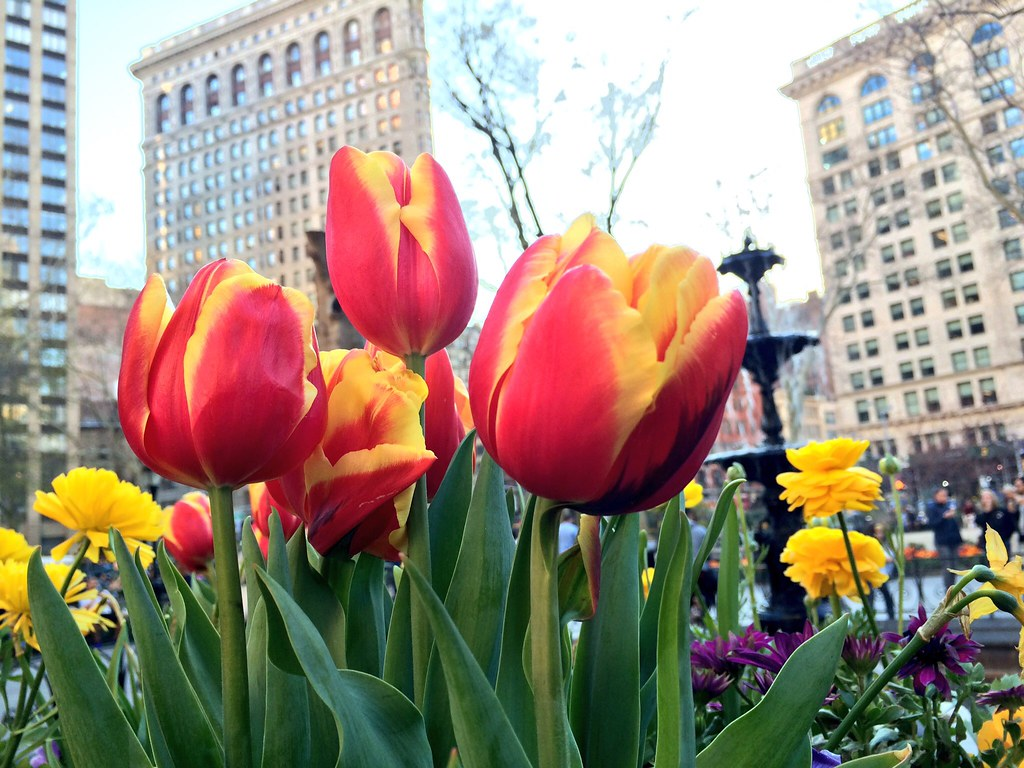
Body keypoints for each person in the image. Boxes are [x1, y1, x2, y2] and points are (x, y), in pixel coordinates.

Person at [926, 486, 961, 589]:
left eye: (945, 495)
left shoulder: (948, 506)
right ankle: (948, 589)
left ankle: (954, 587)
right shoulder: (932, 508)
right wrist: (943, 517)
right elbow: (932, 524)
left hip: (953, 540)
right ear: (936, 496)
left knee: (954, 566)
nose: (944, 497)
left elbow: (954, 524)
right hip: (942, 541)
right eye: (941, 495)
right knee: (947, 566)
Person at [977, 488, 1017, 553]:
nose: (986, 500)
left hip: (1002, 543)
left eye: (988, 498)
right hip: (988, 545)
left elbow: (1011, 526)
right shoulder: (981, 515)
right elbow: (981, 524)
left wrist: (1005, 538)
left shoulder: (1002, 512)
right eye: (983, 498)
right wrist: (986, 511)